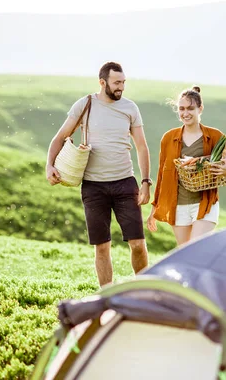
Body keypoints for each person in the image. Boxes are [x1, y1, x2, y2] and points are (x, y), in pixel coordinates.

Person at [46, 62, 152, 287]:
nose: (121, 87)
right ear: (102, 82)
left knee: (137, 244)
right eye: (116, 83)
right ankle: (107, 295)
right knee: (102, 246)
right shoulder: (84, 105)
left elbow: (142, 147)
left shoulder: (130, 108)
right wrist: (49, 166)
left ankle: (143, 290)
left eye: (123, 82)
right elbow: (59, 137)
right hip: (94, 187)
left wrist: (145, 182)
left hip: (125, 183)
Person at [147, 86, 226, 246]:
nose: (185, 113)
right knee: (185, 254)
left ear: (200, 109)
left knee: (197, 249)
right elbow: (161, 175)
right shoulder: (169, 138)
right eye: (181, 109)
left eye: (190, 108)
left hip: (205, 204)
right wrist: (154, 209)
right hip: (178, 205)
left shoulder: (214, 135)